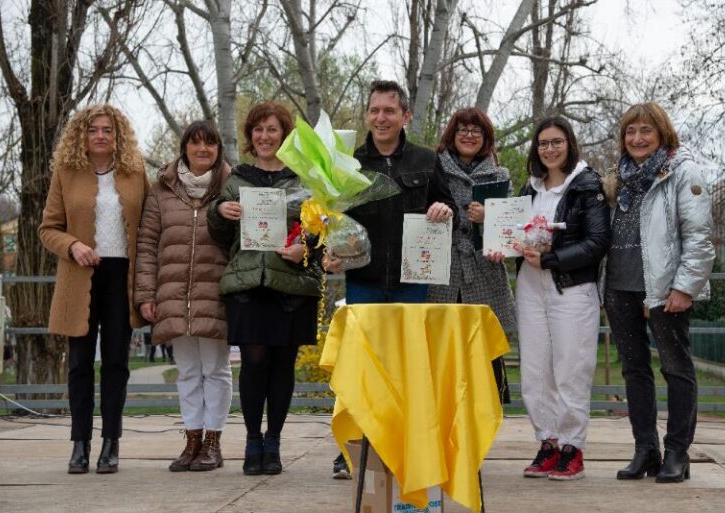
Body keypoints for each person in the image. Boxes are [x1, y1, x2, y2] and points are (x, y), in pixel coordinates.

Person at [324, 80, 455, 479]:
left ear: (405, 116)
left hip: (412, 280)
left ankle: (404, 444)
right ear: (367, 114)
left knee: (407, 366)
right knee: (362, 367)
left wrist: (442, 208)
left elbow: (450, 205)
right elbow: (329, 214)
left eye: (389, 111)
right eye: (375, 110)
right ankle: (356, 445)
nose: (381, 118)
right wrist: (329, 249)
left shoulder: (425, 160)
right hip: (362, 280)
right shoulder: (348, 161)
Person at [207, 102, 324, 476]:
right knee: (254, 361)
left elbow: (321, 232)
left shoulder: (305, 180)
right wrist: (219, 211)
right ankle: (252, 438)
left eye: (272, 130)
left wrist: (303, 247)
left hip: (290, 285)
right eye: (258, 130)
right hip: (248, 283)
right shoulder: (236, 179)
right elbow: (220, 235)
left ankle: (273, 440)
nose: (264, 137)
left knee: (282, 364)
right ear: (250, 137)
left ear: (285, 135)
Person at [603, 102, 714, 483]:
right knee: (634, 370)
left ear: (662, 134)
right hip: (620, 286)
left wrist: (685, 287)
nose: (637, 138)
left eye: (646, 131)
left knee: (676, 368)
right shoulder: (618, 176)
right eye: (630, 132)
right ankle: (645, 449)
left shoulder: (682, 172)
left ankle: (677, 453)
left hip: (664, 289)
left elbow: (699, 237)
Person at [494, 116, 610, 481]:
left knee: (571, 368)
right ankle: (548, 443)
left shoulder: (586, 186)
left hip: (571, 288)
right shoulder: (530, 190)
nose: (549, 149)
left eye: (556, 142)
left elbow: (596, 243)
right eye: (543, 143)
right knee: (535, 370)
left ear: (569, 143)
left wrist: (550, 259)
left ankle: (572, 448)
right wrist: (502, 245)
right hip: (530, 286)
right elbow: (514, 232)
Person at [39, 104, 149, 474]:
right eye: (93, 130)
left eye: (107, 130)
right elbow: (48, 227)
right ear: (81, 136)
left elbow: (150, 227)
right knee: (80, 364)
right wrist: (73, 245)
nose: (100, 136)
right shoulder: (66, 173)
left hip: (122, 278)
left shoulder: (135, 173)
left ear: (118, 136)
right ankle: (80, 444)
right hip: (79, 276)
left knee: (117, 363)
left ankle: (111, 443)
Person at [134, 120, 233, 472]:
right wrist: (146, 293)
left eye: (210, 143)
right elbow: (146, 244)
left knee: (216, 370)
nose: (202, 149)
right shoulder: (161, 189)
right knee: (188, 371)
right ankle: (192, 440)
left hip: (215, 293)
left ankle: (213, 442)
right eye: (196, 143)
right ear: (185, 147)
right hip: (173, 294)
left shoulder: (231, 186)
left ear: (218, 149)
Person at [426, 107, 516, 403]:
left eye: (476, 130)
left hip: (484, 275)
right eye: (462, 129)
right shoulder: (432, 167)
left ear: (486, 138)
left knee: (485, 357)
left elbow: (511, 229)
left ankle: (482, 428)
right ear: (451, 134)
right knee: (441, 356)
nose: (469, 135)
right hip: (442, 274)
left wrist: (489, 218)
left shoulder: (500, 174)